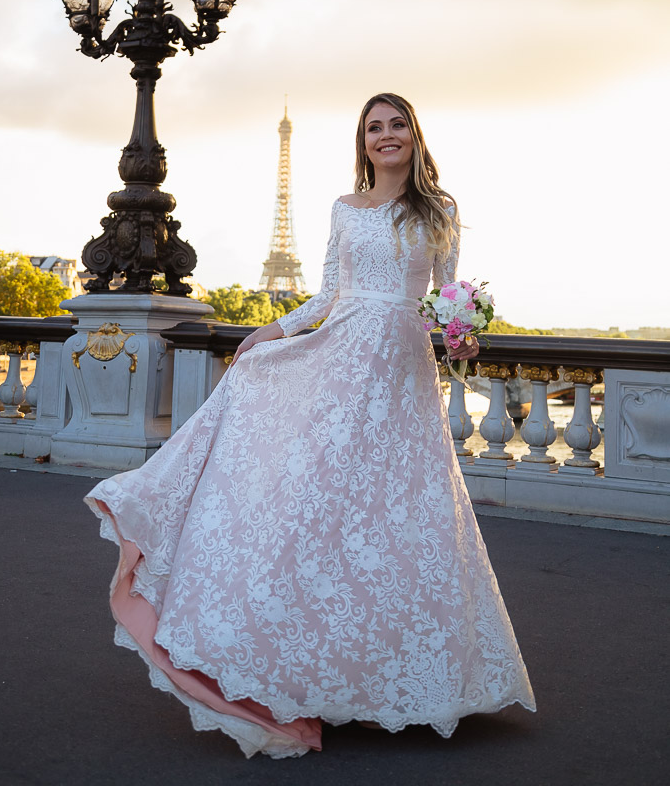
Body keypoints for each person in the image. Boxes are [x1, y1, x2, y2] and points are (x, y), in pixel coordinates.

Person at [85, 92, 536, 759]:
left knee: (403, 515)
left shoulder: (440, 212)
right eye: (373, 128)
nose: (386, 136)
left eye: (396, 125)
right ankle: (297, 665)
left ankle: (398, 678)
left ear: (414, 135)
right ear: (363, 143)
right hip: (343, 361)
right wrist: (272, 329)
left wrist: (461, 336)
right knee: (322, 510)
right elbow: (326, 297)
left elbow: (444, 300)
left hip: (405, 373)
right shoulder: (344, 210)